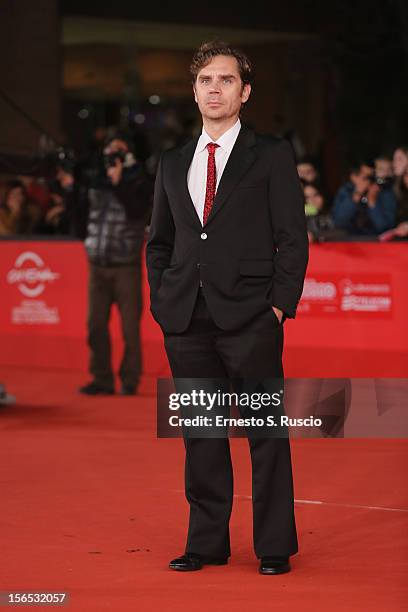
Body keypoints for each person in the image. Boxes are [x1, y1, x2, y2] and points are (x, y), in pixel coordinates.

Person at [146, 41, 308, 575]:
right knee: (202, 434)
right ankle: (207, 542)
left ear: (245, 91)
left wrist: (279, 307)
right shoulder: (172, 163)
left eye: (227, 80)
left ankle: (274, 547)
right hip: (185, 320)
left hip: (252, 319)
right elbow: (160, 242)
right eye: (206, 80)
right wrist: (162, 298)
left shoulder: (272, 154)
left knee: (265, 434)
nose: (215, 89)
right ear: (194, 91)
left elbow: (293, 237)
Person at [77, 134, 152, 395]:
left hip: (125, 266)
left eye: (119, 151)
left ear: (129, 154)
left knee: (130, 327)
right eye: (110, 151)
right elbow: (81, 217)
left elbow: (137, 212)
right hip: (97, 264)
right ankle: (102, 378)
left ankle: (130, 380)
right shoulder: (96, 180)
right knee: (94, 324)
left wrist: (119, 182)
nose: (113, 157)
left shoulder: (140, 181)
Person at [331, 162, 396, 235]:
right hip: (349, 241)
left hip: (375, 241)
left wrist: (372, 202)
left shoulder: (384, 192)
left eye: (373, 178)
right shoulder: (346, 191)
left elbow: (385, 228)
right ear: (354, 177)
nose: (370, 182)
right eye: (367, 178)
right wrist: (356, 195)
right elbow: (338, 222)